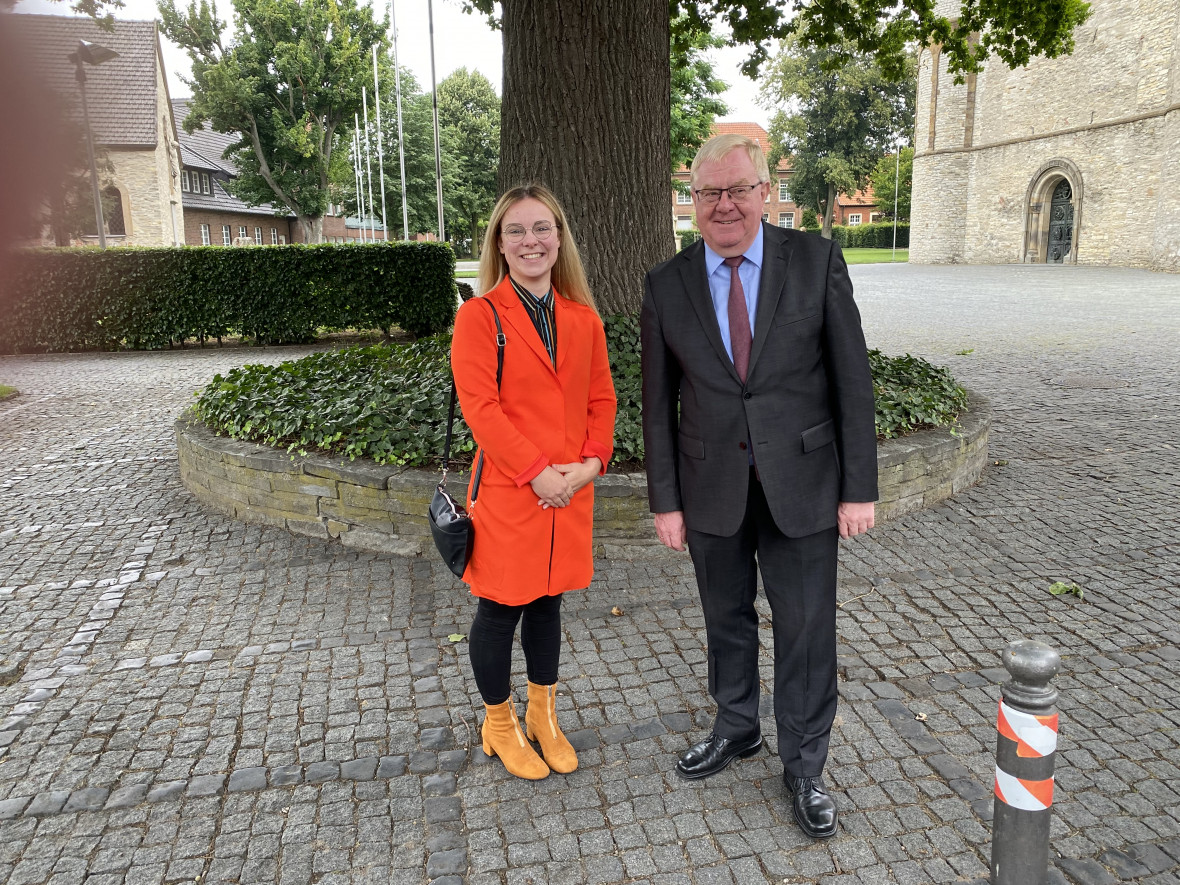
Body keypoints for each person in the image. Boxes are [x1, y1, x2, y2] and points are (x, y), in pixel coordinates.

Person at [641, 133, 878, 838]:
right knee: (726, 617)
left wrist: (858, 487)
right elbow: (657, 403)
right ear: (693, 199)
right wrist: (666, 500)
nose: (724, 205)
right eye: (708, 192)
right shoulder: (667, 283)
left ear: (764, 193)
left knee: (806, 627)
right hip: (710, 483)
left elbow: (852, 381)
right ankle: (737, 724)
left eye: (738, 190)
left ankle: (804, 764)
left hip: (804, 480)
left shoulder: (817, 262)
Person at [450, 184, 617, 780]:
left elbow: (602, 398)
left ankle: (543, 715)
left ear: (560, 238)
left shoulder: (583, 318)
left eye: (542, 228)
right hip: (509, 492)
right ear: (499, 241)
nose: (530, 241)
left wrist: (593, 462)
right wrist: (535, 474)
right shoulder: (480, 316)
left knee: (549, 603)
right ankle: (499, 723)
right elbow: (482, 409)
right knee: (500, 610)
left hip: (570, 489)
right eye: (516, 230)